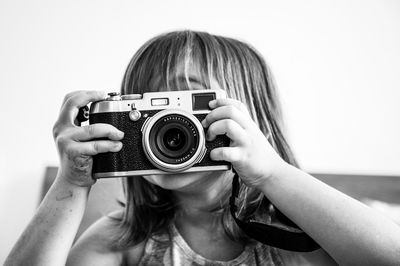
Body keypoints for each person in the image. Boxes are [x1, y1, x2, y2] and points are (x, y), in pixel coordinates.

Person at [5, 30, 400, 266]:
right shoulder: (125, 239)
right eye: (145, 108)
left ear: (252, 117)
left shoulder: (303, 234)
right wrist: (71, 185)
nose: (162, 127)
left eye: (184, 104)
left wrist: (271, 172)